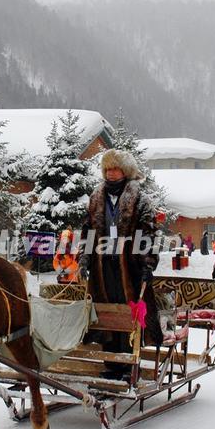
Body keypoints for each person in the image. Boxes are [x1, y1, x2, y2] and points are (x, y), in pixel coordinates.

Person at [80, 149, 161, 375]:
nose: (111, 173)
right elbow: (88, 232)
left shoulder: (140, 199)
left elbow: (148, 234)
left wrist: (147, 265)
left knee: (128, 312)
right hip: (103, 266)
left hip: (130, 266)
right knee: (106, 311)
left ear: (125, 171)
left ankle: (127, 363)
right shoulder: (96, 198)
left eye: (115, 169)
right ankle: (111, 363)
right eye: (107, 169)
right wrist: (85, 259)